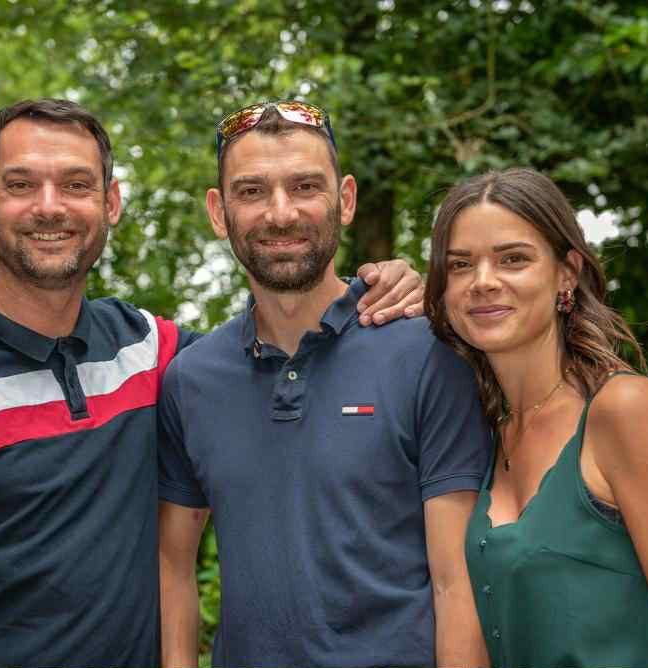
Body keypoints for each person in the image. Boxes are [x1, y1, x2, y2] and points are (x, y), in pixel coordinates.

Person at [0, 98, 425, 668]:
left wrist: (396, 286)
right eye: (21, 185)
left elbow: (279, 341)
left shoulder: (150, 351)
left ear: (110, 203)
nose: (50, 206)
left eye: (76, 185)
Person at [157, 101, 491, 668]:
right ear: (219, 211)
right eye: (252, 191)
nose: (280, 213)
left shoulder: (428, 352)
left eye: (305, 185)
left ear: (347, 200)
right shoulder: (190, 379)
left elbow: (458, 584)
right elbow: (172, 565)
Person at [423, 167, 648, 668]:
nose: (482, 282)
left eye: (513, 259)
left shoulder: (625, 411)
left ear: (566, 273)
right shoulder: (486, 432)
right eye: (461, 265)